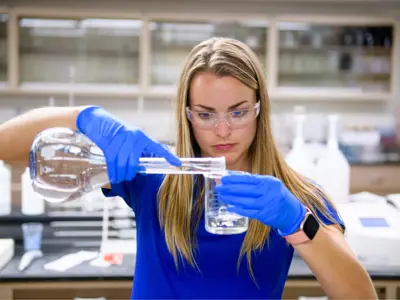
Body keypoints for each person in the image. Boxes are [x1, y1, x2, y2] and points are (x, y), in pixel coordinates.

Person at [0, 37, 377, 299]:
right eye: (206, 114)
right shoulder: (154, 178)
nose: (223, 129)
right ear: (187, 115)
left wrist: (297, 223)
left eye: (238, 112)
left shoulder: (294, 195)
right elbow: (6, 146)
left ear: (260, 108)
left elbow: (360, 295)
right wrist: (83, 117)